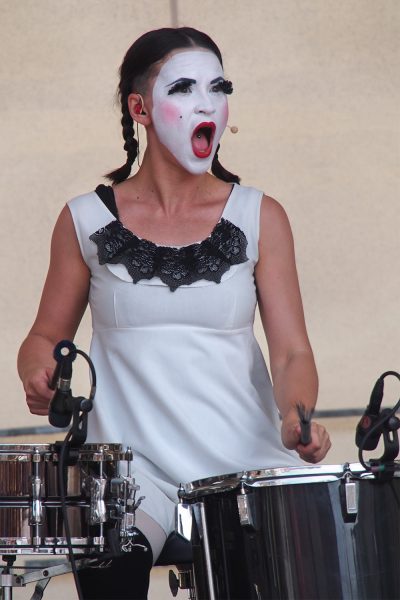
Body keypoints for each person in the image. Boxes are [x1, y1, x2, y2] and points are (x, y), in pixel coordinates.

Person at [18, 27, 331, 600]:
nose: (206, 102)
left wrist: (297, 417)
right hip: (129, 474)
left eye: (218, 87)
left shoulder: (261, 215)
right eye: (184, 88)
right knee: (108, 551)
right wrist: (40, 374)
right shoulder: (85, 219)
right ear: (140, 108)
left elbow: (292, 353)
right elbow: (44, 336)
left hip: (239, 460)